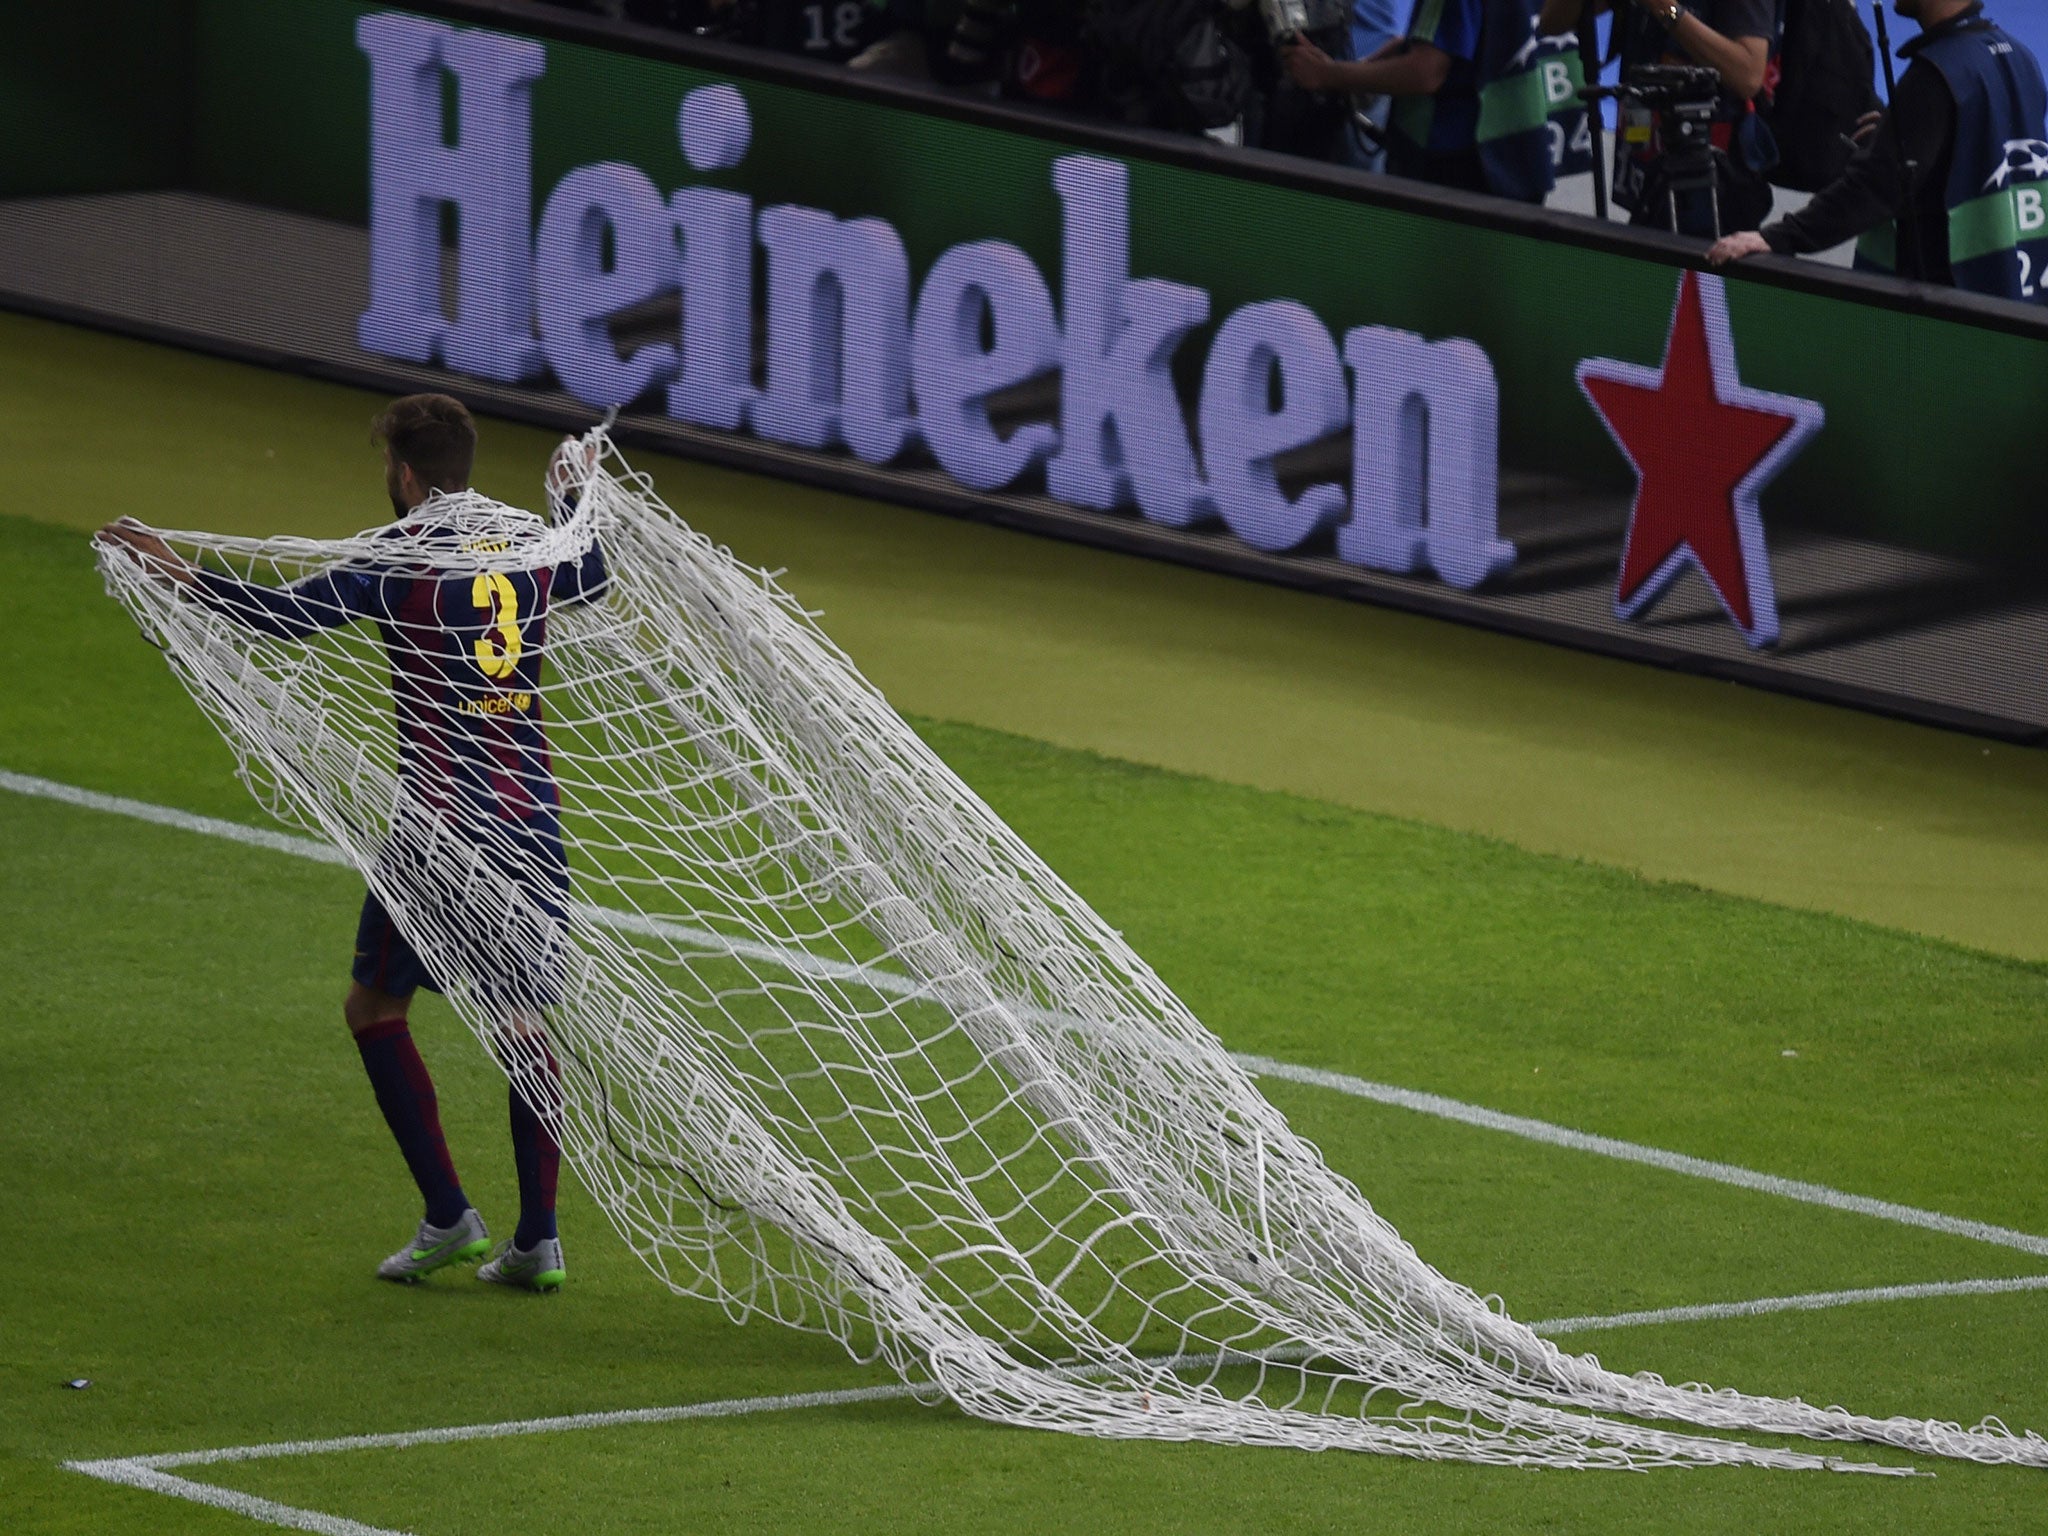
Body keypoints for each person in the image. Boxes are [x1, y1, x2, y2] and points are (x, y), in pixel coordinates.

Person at [95, 395, 608, 1292]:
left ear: (406, 475)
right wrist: (570, 499)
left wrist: (175, 574)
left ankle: (449, 1216)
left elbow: (280, 620)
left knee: (373, 1009)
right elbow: (593, 574)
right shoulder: (526, 547)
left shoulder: (397, 553)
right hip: (530, 818)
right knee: (526, 1023)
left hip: (442, 825)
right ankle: (540, 1238)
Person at [1709, 1, 2047, 302]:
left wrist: (1778, 238)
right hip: (2017, 296)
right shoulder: (2018, 56)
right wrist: (1904, 133)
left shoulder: (1933, 75)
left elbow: (1874, 186)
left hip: (1947, 314)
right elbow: (1980, 149)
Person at [1540, 0, 1778, 234]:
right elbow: (1552, 22)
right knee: (1647, 262)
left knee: (1698, 269)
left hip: (1713, 183)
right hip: (1645, 167)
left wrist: (1664, 8)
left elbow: (1748, 74)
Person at [1282, 0, 1555, 201]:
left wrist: (1328, 74)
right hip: (1516, 158)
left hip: (1462, 167)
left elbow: (1426, 71)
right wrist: (1355, 71)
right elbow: (1434, 40)